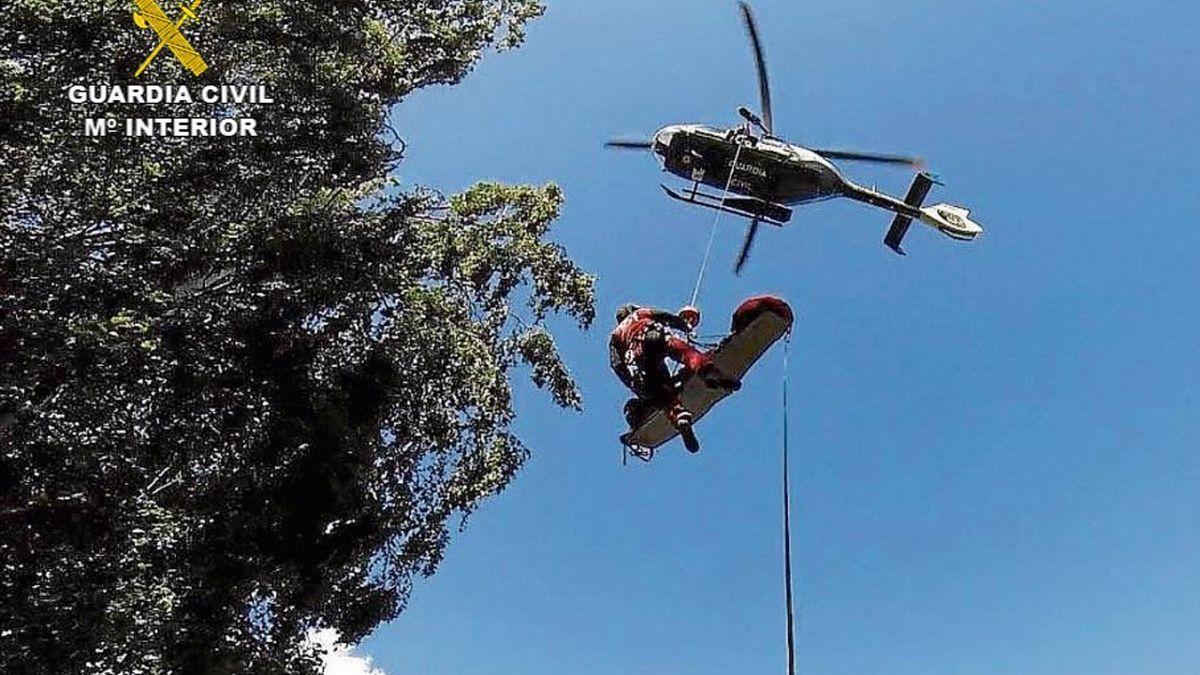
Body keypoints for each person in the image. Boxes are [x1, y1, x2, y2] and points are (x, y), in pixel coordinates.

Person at [609, 303, 740, 453]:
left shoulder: (615, 336)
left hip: (640, 359)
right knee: (687, 353)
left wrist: (634, 384)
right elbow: (665, 317)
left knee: (663, 394)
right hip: (655, 336)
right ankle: (709, 372)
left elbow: (616, 364)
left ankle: (680, 418)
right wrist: (684, 325)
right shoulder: (640, 313)